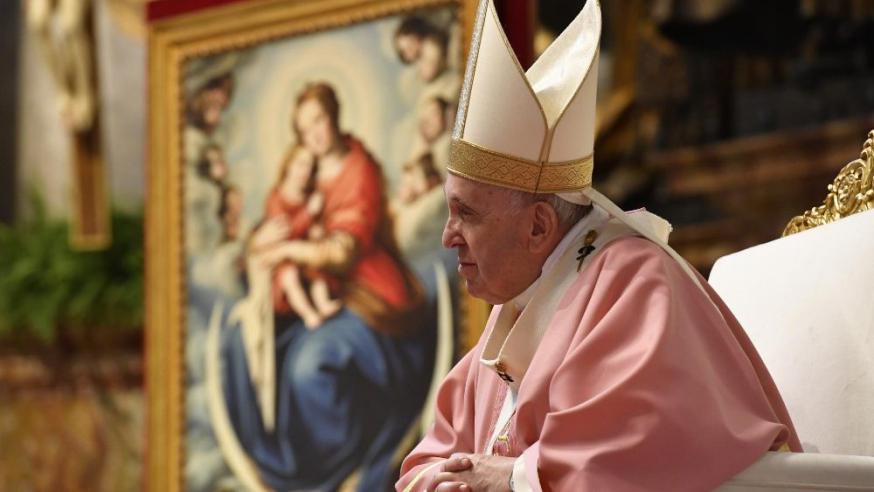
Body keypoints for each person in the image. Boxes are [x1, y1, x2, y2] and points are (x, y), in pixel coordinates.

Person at [397, 1, 800, 491]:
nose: (447, 236)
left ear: (540, 227)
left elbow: (647, 443)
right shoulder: (515, 312)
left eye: (467, 214)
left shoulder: (635, 282)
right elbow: (430, 460)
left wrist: (515, 478)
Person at [221, 81, 434, 492]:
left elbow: (342, 254)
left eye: (318, 120)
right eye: (304, 129)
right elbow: (277, 218)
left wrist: (284, 247)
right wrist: (260, 244)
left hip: (368, 295)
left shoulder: (359, 169)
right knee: (240, 344)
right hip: (321, 293)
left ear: (334, 115)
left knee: (308, 368)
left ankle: (329, 468)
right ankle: (287, 463)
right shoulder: (307, 169)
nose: (313, 135)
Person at [256, 144, 342, 329]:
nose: (305, 171)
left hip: (301, 251)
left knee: (317, 266)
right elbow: (285, 233)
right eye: (301, 164)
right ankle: (308, 314)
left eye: (310, 167)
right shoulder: (276, 197)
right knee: (289, 275)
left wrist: (316, 229)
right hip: (282, 256)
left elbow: (313, 226)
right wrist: (308, 213)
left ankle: (323, 303)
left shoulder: (307, 196)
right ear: (289, 165)